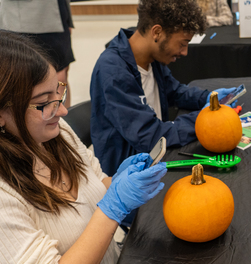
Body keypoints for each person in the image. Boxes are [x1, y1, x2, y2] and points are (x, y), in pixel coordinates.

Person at [0, 28, 167, 264]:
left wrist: (119, 184)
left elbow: (97, 184)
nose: (61, 110)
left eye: (57, 93)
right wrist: (113, 205)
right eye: (44, 103)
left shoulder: (53, 135)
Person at [90, 0, 239, 177]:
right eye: (182, 44)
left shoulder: (151, 59)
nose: (184, 52)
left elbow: (176, 92)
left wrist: (209, 97)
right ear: (157, 32)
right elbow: (151, 136)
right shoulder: (113, 72)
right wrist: (206, 120)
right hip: (130, 173)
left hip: (157, 155)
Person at [0, 0, 75, 108]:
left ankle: (63, 121)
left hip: (57, 14)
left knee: (60, 77)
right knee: (24, 80)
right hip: (22, 20)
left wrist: (67, 19)